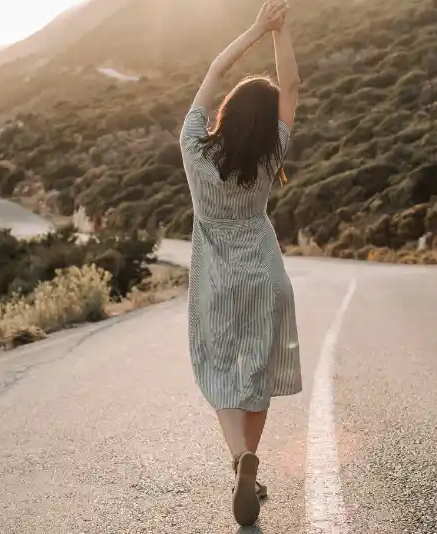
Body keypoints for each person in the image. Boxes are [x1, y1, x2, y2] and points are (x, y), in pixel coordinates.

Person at [179, 0, 301, 527]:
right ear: (266, 124)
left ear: (226, 113)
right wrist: (282, 33)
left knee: (218, 368)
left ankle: (240, 460)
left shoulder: (194, 149)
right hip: (266, 276)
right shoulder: (271, 153)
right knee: (256, 373)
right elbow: (292, 88)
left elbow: (211, 74)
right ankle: (249, 461)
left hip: (217, 277)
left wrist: (255, 29)